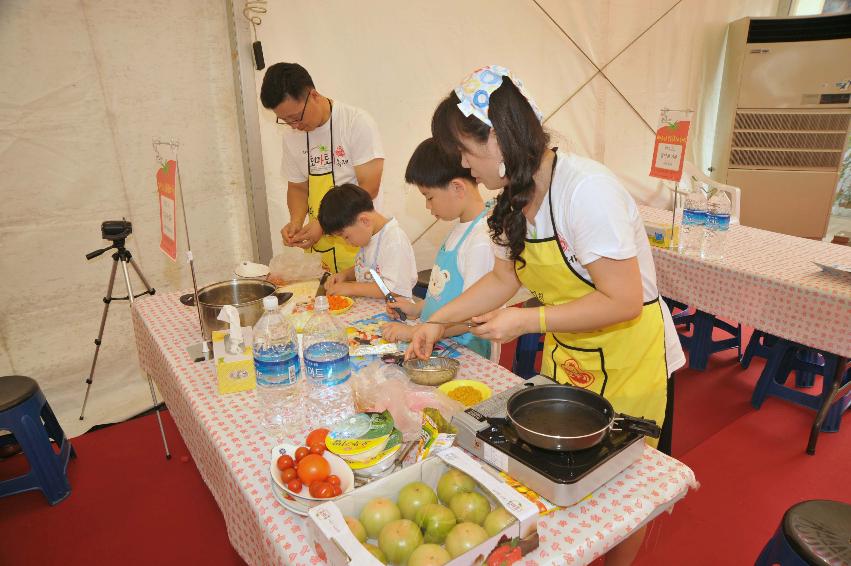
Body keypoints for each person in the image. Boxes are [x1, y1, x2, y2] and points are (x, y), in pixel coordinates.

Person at [407, 65, 685, 564]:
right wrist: (435, 320)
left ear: (498, 136)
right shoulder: (509, 202)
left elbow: (620, 300)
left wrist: (523, 321)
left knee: (624, 489)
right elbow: (501, 280)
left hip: (631, 359)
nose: (466, 168)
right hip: (571, 354)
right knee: (559, 473)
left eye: (467, 153)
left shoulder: (586, 191)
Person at [260, 62, 385, 273]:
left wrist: (323, 224)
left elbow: (369, 187)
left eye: (296, 117)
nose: (294, 126)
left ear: (314, 95)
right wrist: (296, 222)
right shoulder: (292, 137)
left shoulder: (355, 123)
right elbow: (298, 188)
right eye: (285, 121)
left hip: (360, 239)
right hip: (321, 252)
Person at [380, 138, 495, 359]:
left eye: (429, 197)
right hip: (438, 339)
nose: (427, 206)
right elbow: (444, 295)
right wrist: (418, 308)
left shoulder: (480, 239)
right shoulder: (458, 229)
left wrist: (416, 331)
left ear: (457, 187)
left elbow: (475, 316)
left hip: (465, 352)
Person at [317, 184, 417, 300]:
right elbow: (367, 269)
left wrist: (350, 288)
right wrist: (345, 275)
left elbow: (394, 289)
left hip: (395, 313)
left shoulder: (394, 241)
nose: (347, 243)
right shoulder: (369, 235)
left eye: (346, 237)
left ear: (364, 221)